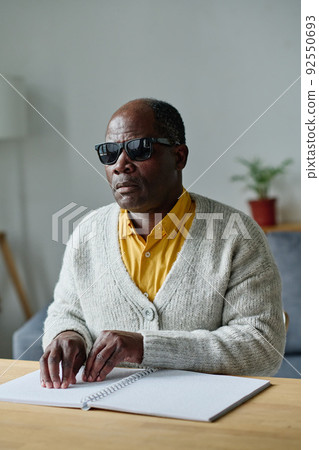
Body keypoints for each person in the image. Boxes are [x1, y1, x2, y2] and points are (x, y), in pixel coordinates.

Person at [40, 98, 286, 389]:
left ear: (179, 157)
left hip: (205, 417)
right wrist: (67, 335)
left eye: (139, 148)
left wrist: (145, 346)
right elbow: (66, 311)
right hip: (103, 414)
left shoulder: (237, 235)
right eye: (109, 153)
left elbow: (262, 346)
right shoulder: (86, 233)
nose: (120, 165)